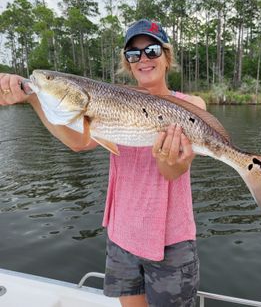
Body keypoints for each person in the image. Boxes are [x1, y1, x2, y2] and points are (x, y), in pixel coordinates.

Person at [0, 18, 206, 307]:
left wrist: (166, 159)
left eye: (152, 50)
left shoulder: (191, 105)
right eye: (133, 54)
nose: (143, 59)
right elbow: (78, 142)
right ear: (127, 62)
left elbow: (174, 171)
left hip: (170, 241)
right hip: (122, 236)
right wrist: (33, 97)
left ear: (167, 56)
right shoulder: (114, 101)